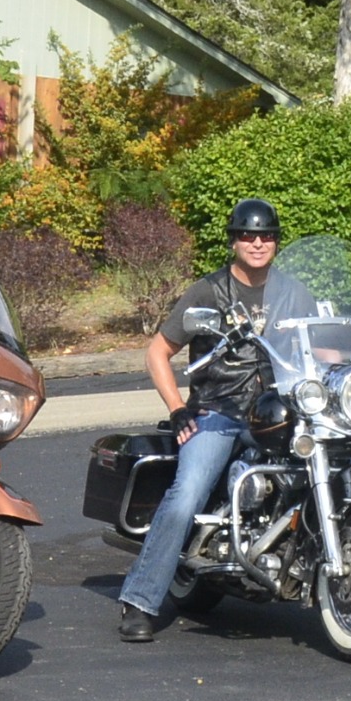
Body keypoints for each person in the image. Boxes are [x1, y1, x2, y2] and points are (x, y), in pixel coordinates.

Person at [119, 197, 281, 642]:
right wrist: (176, 407)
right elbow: (158, 351)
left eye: (266, 234)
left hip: (278, 414)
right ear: (234, 240)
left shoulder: (291, 291)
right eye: (247, 234)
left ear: (276, 241)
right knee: (187, 491)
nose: (257, 242)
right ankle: (140, 600)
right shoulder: (209, 291)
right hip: (218, 413)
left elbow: (320, 342)